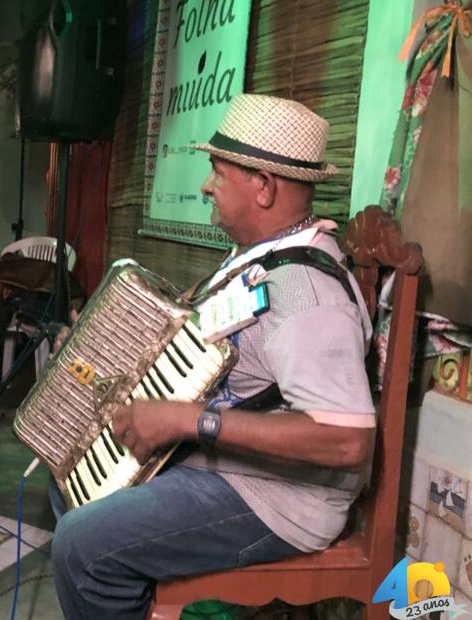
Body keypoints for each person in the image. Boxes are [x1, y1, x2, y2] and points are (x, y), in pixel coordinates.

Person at [50, 94, 376, 619]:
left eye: (217, 173)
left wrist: (189, 421)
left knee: (82, 547)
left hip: (278, 498)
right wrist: (95, 354)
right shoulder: (258, 257)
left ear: (264, 187)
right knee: (70, 472)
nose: (206, 186)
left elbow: (347, 441)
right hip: (235, 465)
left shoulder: (306, 294)